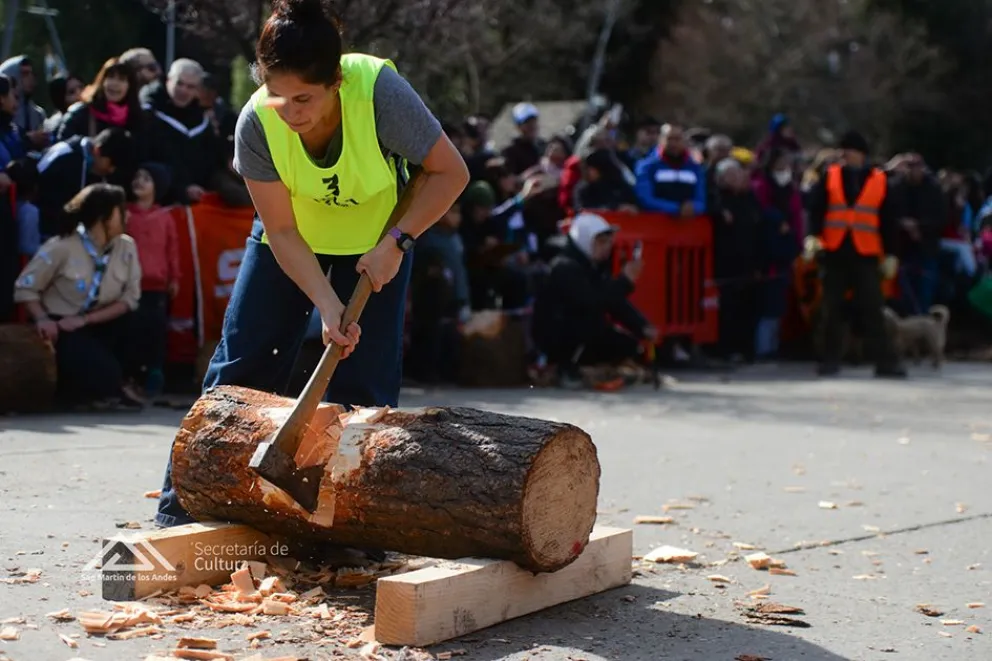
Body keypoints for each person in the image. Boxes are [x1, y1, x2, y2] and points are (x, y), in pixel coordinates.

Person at [154, 0, 469, 528]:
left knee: (364, 390)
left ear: (336, 81)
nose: (291, 111)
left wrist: (396, 242)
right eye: (279, 96)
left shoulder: (379, 93)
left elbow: (449, 172)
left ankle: (350, 528)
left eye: (305, 98)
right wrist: (325, 303)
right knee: (241, 369)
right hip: (290, 239)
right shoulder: (256, 123)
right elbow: (279, 229)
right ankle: (183, 512)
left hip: (377, 242)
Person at [13, 184, 144, 409]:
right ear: (102, 217)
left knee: (145, 321)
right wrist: (43, 319)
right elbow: (25, 288)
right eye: (120, 210)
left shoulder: (126, 246)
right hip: (63, 326)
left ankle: (124, 382)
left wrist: (86, 320)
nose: (127, 214)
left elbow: (130, 297)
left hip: (100, 320)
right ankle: (96, 388)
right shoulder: (61, 246)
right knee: (99, 369)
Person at [804, 130, 905, 378]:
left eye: (847, 150)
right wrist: (812, 238)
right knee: (831, 309)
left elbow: (889, 220)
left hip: (866, 253)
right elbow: (815, 210)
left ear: (860, 153)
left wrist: (892, 253)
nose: (842, 154)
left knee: (873, 310)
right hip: (835, 251)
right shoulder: (829, 176)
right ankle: (828, 360)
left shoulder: (880, 180)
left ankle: (885, 363)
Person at [532, 212, 656, 388]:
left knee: (628, 345)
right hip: (557, 335)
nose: (606, 247)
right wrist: (624, 281)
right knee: (586, 323)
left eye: (608, 241)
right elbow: (592, 302)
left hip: (584, 329)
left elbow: (613, 302)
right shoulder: (564, 266)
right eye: (600, 241)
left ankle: (596, 368)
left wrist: (641, 326)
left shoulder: (592, 265)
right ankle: (565, 369)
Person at [127, 163, 181, 397]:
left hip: (157, 286)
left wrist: (174, 277)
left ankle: (155, 373)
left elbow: (172, 248)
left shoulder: (165, 217)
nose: (139, 181)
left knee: (156, 331)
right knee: (132, 331)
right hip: (130, 286)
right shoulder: (125, 214)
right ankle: (132, 376)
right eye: (137, 176)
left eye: (146, 178)